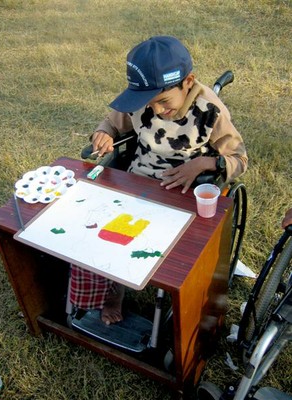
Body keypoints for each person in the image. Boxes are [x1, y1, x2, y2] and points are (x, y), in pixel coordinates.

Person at [70, 35, 248, 325]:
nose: (155, 110)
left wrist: (206, 162)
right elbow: (113, 122)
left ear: (188, 81)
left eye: (163, 101)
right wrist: (103, 133)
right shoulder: (144, 98)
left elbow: (240, 159)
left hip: (184, 191)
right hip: (137, 182)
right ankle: (113, 289)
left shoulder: (211, 110)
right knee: (101, 232)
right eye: (149, 103)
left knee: (164, 249)